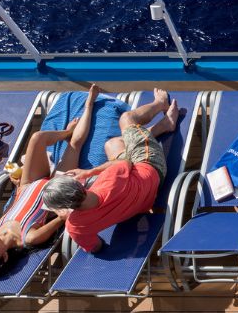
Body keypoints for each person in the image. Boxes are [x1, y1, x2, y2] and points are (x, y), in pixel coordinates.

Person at [0, 84, 101, 277]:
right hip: (53, 190)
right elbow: (62, 218)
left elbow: (11, 211)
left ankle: (66, 132)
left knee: (37, 138)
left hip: (27, 186)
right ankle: (89, 104)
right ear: (5, 257)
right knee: (75, 144)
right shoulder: (29, 238)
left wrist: (17, 189)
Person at [41, 88, 179, 253]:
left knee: (112, 144)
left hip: (141, 203)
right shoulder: (110, 180)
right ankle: (160, 104)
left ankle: (162, 126)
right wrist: (89, 172)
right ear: (76, 183)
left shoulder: (75, 226)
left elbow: (95, 247)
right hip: (152, 166)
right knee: (126, 119)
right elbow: (126, 161)